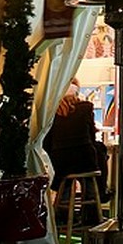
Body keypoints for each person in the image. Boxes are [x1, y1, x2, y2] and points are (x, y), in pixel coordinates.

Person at [44, 78, 109, 211]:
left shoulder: (52, 112)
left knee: (65, 186)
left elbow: (47, 141)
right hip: (84, 161)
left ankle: (62, 215)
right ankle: (92, 213)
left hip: (61, 163)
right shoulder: (85, 108)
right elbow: (91, 136)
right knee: (91, 179)